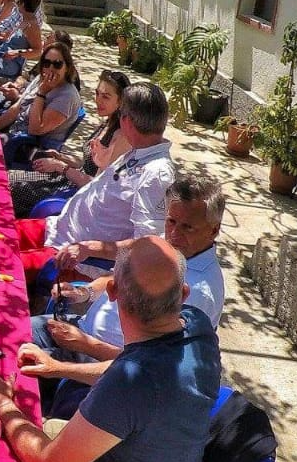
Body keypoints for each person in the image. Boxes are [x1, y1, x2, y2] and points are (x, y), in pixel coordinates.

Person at [0, 236, 220, 462]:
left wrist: (0, 402)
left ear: (112, 291)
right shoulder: (197, 324)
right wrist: (60, 368)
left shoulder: (129, 384)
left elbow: (49, 459)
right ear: (184, 294)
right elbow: (137, 371)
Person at [22, 176, 227, 416]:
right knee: (14, 332)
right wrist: (83, 293)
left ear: (213, 230)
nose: (174, 233)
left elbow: (151, 367)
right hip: (79, 332)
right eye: (171, 221)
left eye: (187, 227)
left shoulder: (199, 294)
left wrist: (83, 344)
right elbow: (115, 277)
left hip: (108, 368)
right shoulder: (169, 248)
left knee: (20, 367)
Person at [16, 83, 176, 284]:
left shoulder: (156, 174)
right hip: (58, 229)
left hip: (73, 258)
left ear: (125, 120)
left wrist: (89, 248)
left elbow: (148, 244)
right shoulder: (140, 149)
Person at [7, 69, 131, 217]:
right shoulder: (107, 123)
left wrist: (61, 167)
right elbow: (88, 164)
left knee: (11, 188)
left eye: (105, 96)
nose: (98, 100)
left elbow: (99, 185)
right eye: (97, 93)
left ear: (121, 101)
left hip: (74, 191)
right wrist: (61, 157)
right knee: (7, 177)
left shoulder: (121, 136)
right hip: (68, 178)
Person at [0, 42, 81, 168]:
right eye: (46, 63)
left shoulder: (66, 96)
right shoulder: (41, 79)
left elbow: (35, 129)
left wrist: (41, 94)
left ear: (67, 67)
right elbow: (16, 108)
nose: (50, 69)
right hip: (14, 132)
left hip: (30, 146)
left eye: (57, 64)